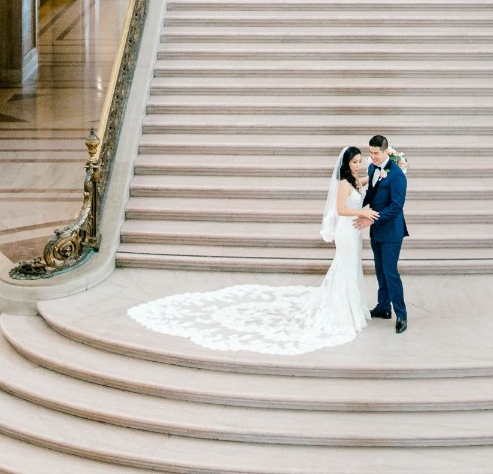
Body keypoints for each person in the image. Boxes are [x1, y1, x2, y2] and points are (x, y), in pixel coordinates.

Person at [126, 145, 371, 356]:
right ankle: (341, 309)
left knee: (350, 266)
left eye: (360, 161)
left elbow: (362, 183)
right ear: (345, 163)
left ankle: (352, 306)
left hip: (353, 232)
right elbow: (340, 210)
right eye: (355, 162)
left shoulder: (353, 181)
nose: (358, 165)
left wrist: (385, 169)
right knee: (343, 266)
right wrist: (362, 212)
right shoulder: (342, 184)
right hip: (346, 231)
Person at [360, 133, 409, 333]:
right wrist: (355, 207)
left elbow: (396, 206)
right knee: (380, 271)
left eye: (376, 153)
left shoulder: (397, 175)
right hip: (376, 230)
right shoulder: (372, 168)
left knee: (390, 272)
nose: (373, 157)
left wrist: (371, 217)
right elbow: (371, 193)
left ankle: (402, 314)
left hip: (391, 232)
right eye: (370, 153)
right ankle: (383, 307)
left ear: (385, 151)